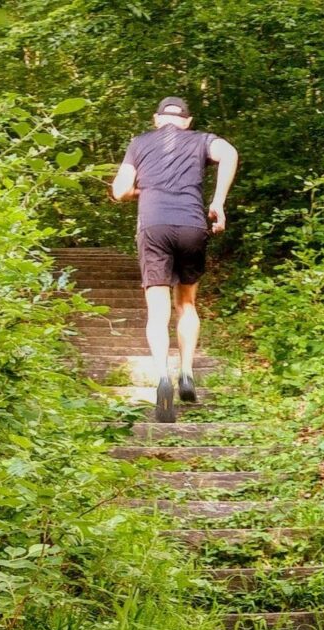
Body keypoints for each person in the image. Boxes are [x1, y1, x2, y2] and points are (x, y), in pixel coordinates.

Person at [110, 96, 238, 404]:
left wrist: (145, 189)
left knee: (158, 309)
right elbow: (230, 153)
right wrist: (218, 202)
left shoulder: (139, 143)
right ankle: (187, 372)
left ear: (156, 120)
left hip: (154, 225)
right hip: (192, 224)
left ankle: (162, 376)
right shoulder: (201, 140)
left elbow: (118, 191)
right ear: (187, 121)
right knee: (187, 303)